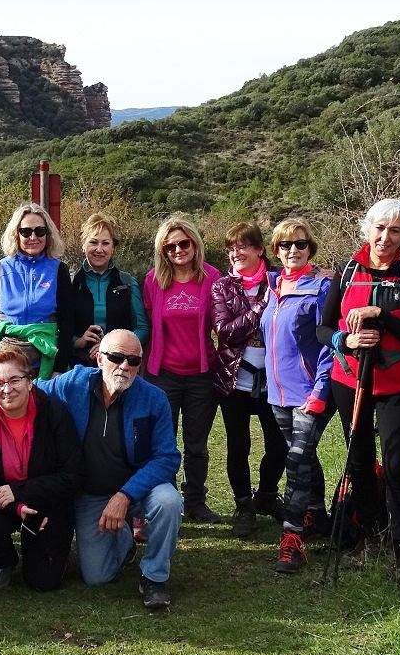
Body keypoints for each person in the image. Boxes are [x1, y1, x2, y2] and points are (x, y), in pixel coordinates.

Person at [0, 329, 181, 610]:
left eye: (133, 361)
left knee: (169, 502)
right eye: (116, 358)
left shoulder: (154, 398)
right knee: (96, 576)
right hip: (92, 494)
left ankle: (154, 577)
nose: (124, 367)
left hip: (141, 489)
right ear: (99, 359)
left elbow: (167, 457)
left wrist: (125, 495)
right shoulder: (74, 384)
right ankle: (125, 542)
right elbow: (29, 385)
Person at [317, 197, 400, 594]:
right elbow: (322, 328)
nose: (385, 237)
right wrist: (345, 339)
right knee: (360, 460)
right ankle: (369, 535)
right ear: (367, 229)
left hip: (397, 382)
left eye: (395, 230)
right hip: (349, 379)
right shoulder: (347, 269)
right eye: (379, 228)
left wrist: (379, 315)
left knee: (397, 465)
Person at [0, 349, 82, 592]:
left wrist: (21, 492)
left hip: (45, 500)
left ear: (29, 381)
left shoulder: (54, 412)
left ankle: (45, 550)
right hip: (0, 502)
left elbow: (73, 475)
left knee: (43, 582)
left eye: (15, 380)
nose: (7, 389)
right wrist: (13, 503)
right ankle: (2, 561)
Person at [258, 219, 335, 574]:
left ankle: (291, 538)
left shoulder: (320, 287)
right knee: (304, 458)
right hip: (278, 394)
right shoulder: (271, 288)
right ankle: (316, 515)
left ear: (310, 249)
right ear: (276, 251)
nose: (293, 251)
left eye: (300, 245)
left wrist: (320, 390)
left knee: (296, 459)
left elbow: (328, 344)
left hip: (310, 392)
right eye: (285, 245)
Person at [143, 214, 222, 522]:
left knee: (196, 443)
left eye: (183, 243)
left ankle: (195, 501)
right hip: (163, 375)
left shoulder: (212, 278)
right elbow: (147, 325)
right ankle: (167, 502)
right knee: (163, 442)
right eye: (170, 246)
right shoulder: (153, 280)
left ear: (194, 244)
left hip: (201, 374)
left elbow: (222, 322)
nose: (177, 250)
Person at [210, 221, 284, 537]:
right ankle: (243, 505)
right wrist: (259, 308)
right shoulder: (222, 287)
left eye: (242, 246)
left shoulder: (280, 280)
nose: (236, 253)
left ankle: (266, 494)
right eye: (231, 248)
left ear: (258, 249)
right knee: (238, 445)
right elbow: (224, 330)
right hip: (234, 377)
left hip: (274, 379)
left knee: (279, 445)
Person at [0, 203, 74, 377]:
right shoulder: (1, 268)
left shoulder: (58, 269)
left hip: (45, 360)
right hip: (5, 360)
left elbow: (67, 322)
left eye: (40, 231)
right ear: (16, 234)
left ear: (48, 234)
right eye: (26, 232)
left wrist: (59, 368)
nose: (33, 237)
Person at [70, 212, 149, 362]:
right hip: (77, 365)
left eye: (105, 243)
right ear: (83, 245)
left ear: (113, 248)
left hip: (118, 364)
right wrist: (77, 341)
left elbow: (142, 329)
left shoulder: (127, 282)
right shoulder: (70, 282)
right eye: (93, 242)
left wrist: (113, 346)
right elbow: (59, 327)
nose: (99, 249)